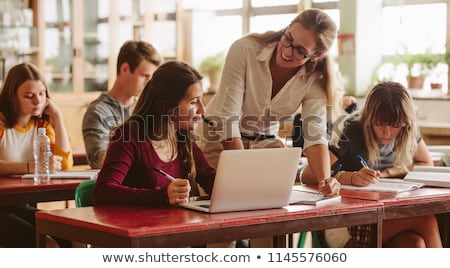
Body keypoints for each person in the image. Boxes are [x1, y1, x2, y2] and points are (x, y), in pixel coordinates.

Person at [199, 8, 340, 198]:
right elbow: (227, 120)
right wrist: (239, 173)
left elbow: (315, 136)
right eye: (288, 38)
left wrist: (326, 181)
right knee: (224, 203)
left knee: (268, 208)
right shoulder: (245, 49)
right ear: (287, 28)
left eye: (300, 51)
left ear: (316, 56)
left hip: (264, 143)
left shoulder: (315, 78)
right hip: (219, 138)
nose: (287, 51)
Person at [301, 81, 443, 247]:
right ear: (369, 117)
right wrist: (350, 177)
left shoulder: (406, 129)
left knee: (414, 243)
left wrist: (389, 172)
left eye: (395, 125)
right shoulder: (350, 129)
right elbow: (307, 175)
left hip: (385, 215)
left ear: (405, 123)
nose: (387, 132)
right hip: (345, 226)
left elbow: (425, 161)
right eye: (380, 124)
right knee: (425, 219)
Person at [93, 61, 215, 209]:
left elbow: (209, 178)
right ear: (169, 105)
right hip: (139, 228)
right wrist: (162, 196)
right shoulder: (129, 136)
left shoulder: (183, 136)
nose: (202, 110)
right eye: (194, 102)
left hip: (176, 226)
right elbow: (103, 192)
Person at [0, 62, 73, 247]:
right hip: (2, 206)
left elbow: (64, 163)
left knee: (65, 236)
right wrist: (30, 166)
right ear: (12, 97)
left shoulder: (41, 126)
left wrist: (57, 116)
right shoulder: (1, 123)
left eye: (41, 94)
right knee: (38, 240)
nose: (38, 101)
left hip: (22, 203)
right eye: (29, 96)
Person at [82, 40, 162, 169]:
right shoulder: (97, 112)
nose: (149, 84)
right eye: (144, 76)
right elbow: (99, 159)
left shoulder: (148, 109)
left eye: (151, 78)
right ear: (125, 69)